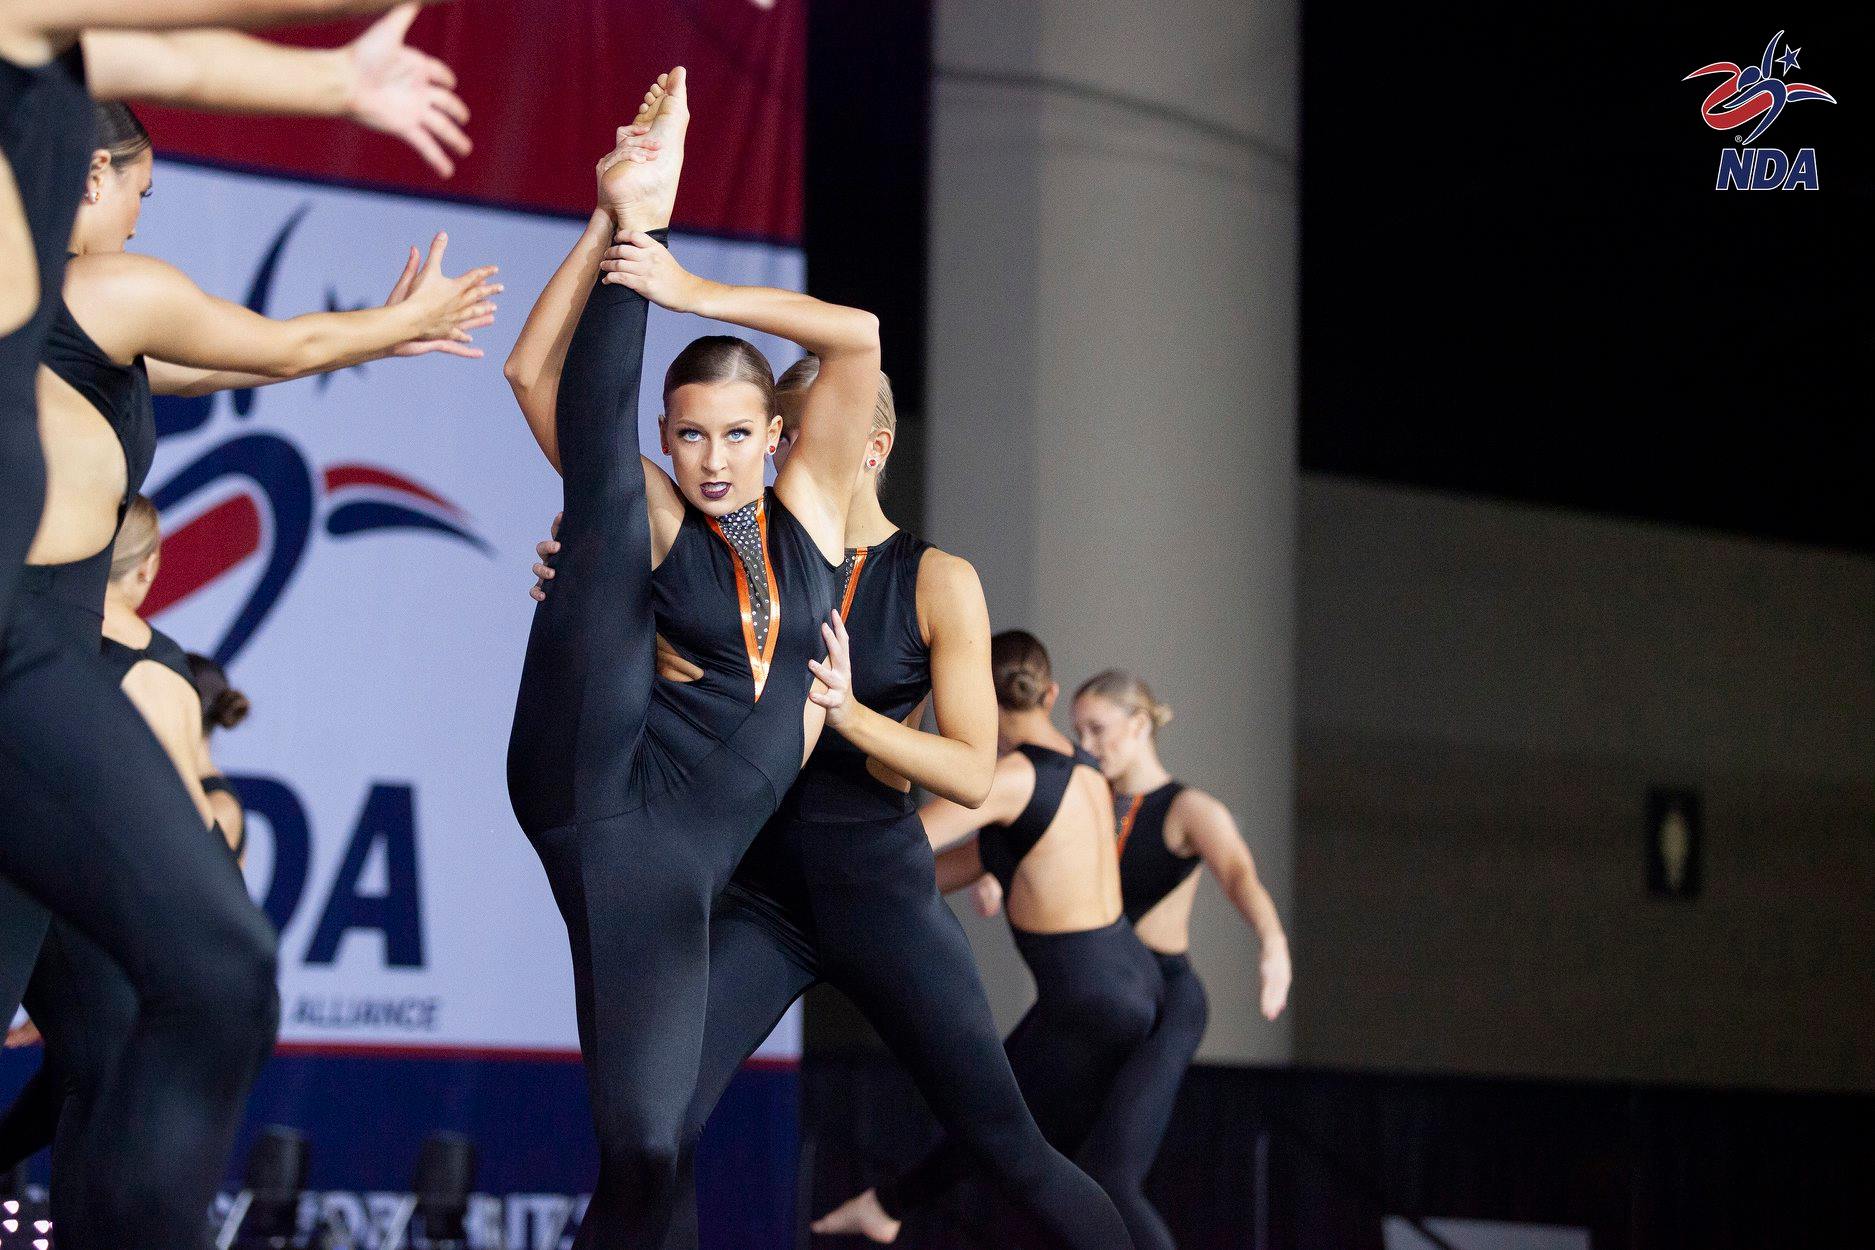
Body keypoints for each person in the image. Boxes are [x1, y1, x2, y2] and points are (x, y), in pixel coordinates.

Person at [0, 99, 494, 1249]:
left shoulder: (55, 323)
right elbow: (282, 345)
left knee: (100, 1003)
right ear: (90, 179)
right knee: (208, 970)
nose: (137, 214)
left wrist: (378, 327)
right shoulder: (106, 290)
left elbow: (224, 365)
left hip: (42, 673)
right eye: (138, 192)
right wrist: (396, 324)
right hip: (32, 674)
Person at [530, 362, 1134, 1250]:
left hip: (878, 894)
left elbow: (970, 773)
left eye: (799, 435)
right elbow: (621, 541)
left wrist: (849, 715)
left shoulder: (934, 580)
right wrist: (578, 581)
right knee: (654, 1141)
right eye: (776, 435)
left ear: (871, 446)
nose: (776, 456)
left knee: (1005, 1146)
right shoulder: (728, 545)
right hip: (761, 897)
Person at [501, 67, 881, 1245]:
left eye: (733, 435)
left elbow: (856, 334)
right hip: (605, 782)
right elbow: (530, 375)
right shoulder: (663, 509)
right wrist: (619, 227)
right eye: (689, 435)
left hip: (681, 862)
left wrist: (691, 286)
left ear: (779, 436)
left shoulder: (811, 510)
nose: (711, 459)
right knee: (603, 502)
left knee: (653, 1148)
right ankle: (640, 198)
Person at [813, 631, 1160, 1247]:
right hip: (1129, 978)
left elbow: (895, 852)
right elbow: (971, 863)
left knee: (1017, 1150)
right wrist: (994, 871)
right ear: (1048, 694)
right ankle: (887, 1207)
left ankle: (887, 1206)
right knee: (1031, 1149)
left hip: (1087, 1001)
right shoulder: (1082, 770)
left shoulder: (1011, 780)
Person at [1066, 669, 1292, 1249]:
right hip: (1104, 1001)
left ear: (1139, 725)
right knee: (1068, 1171)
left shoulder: (1187, 807)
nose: (1085, 746)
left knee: (1111, 1175)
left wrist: (1273, 943)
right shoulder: (1086, 800)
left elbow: (1239, 874)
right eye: (1077, 732)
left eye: (1098, 730)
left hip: (1166, 1002)